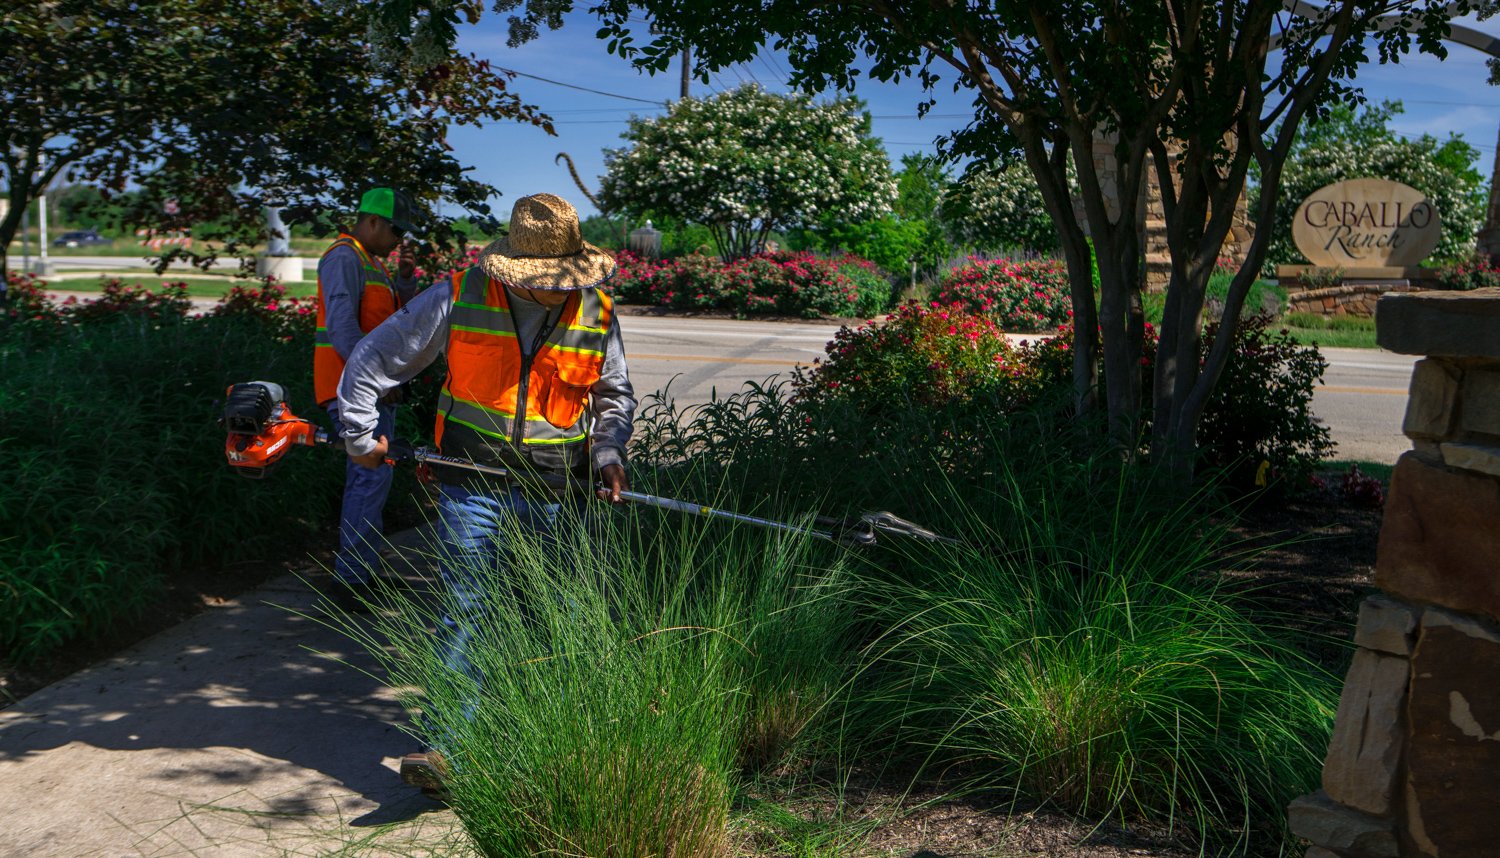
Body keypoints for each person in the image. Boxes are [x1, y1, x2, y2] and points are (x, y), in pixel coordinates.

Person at [334, 193, 635, 795]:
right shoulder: (459, 294)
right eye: (547, 281)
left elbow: (614, 393)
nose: (559, 290)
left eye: (566, 279)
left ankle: (553, 740)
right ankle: (447, 746)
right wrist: (358, 433)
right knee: (467, 607)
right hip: (471, 483)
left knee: (559, 613)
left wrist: (608, 452)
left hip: (558, 488)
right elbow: (373, 358)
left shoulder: (597, 309)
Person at [314, 187, 421, 611]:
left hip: (371, 391)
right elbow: (343, 330)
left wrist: (406, 282)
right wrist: (377, 381)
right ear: (372, 221)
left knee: (375, 478)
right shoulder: (344, 257)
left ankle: (362, 573)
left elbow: (388, 321)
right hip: (354, 392)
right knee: (368, 477)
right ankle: (351, 583)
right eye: (397, 229)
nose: (401, 239)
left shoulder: (370, 260)